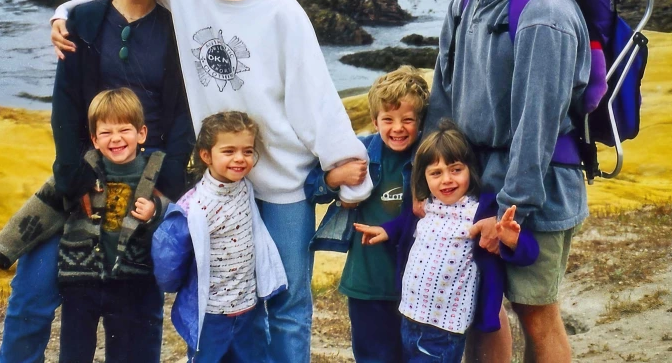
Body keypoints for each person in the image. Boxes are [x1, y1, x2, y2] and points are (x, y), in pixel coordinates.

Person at [49, 0, 372, 363]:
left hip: (278, 184)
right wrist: (64, 13)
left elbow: (317, 97)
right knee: (223, 304)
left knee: (285, 303)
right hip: (216, 184)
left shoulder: (283, 14)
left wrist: (344, 162)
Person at [0, 0, 194, 363]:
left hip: (148, 178)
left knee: (141, 309)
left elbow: (183, 118)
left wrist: (163, 189)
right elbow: (65, 106)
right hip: (86, 172)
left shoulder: (181, 25)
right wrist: (73, 176)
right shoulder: (83, 19)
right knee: (32, 293)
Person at [423, 0, 591, 363]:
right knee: (482, 310)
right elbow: (442, 102)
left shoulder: (544, 14)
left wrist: (508, 208)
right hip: (475, 183)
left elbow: (536, 129)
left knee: (536, 315)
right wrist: (428, 185)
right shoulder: (464, 0)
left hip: (532, 189)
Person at [0, 88, 169, 362]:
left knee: (128, 352)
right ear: (94, 139)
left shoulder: (157, 175)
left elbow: (176, 213)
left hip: (131, 283)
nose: (116, 139)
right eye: (106, 133)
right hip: (80, 283)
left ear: (142, 134)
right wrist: (1, 249)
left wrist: (156, 212)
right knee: (73, 353)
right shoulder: (82, 172)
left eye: (124, 130)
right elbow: (41, 208)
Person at [355, 119, 538, 363]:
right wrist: (386, 231)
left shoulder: (480, 211)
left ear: (470, 170)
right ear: (424, 178)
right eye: (436, 173)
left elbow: (529, 252)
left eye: (455, 169)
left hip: (444, 328)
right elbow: (406, 225)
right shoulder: (427, 205)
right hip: (409, 317)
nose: (447, 180)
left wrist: (510, 237)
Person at [305, 65, 430, 363]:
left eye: (407, 120)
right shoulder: (358, 152)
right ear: (374, 121)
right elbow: (311, 187)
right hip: (366, 284)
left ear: (421, 122)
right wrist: (335, 179)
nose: (397, 128)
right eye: (388, 119)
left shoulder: (429, 158)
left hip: (416, 286)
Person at [152, 111, 287, 363]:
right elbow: (168, 256)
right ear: (206, 155)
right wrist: (176, 285)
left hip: (248, 309)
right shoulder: (193, 206)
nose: (240, 159)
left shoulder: (245, 187)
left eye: (247, 151)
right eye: (229, 151)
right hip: (212, 315)